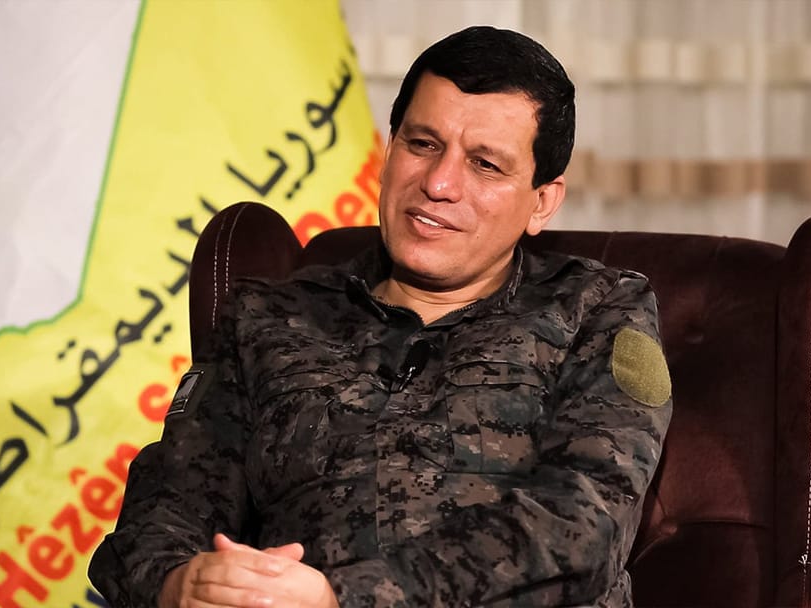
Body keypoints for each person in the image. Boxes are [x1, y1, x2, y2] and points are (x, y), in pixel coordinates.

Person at [89, 25, 672, 607]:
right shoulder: (268, 317)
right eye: (422, 144)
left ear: (542, 201)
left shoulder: (597, 310)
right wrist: (180, 584)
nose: (438, 184)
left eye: (485, 165)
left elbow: (584, 528)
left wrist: (343, 598)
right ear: (390, 152)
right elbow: (160, 515)